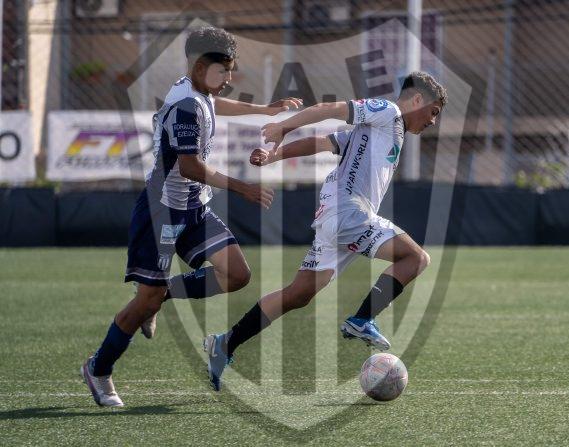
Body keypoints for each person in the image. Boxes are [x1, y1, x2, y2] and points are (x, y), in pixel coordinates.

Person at [81, 26, 301, 407]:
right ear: (201, 67)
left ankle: (163, 294)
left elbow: (218, 106)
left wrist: (265, 110)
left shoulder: (196, 90)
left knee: (237, 274)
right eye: (224, 70)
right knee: (144, 303)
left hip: (194, 208)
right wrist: (243, 188)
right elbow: (190, 166)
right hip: (161, 213)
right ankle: (99, 368)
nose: (229, 78)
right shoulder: (186, 105)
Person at [204, 71, 447, 391]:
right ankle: (362, 319)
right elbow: (329, 109)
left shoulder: (380, 130)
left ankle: (225, 343)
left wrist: (274, 156)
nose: (432, 121)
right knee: (416, 258)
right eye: (433, 112)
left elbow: (320, 143)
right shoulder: (387, 112)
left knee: (299, 294)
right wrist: (283, 126)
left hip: (335, 217)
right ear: (417, 99)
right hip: (349, 213)